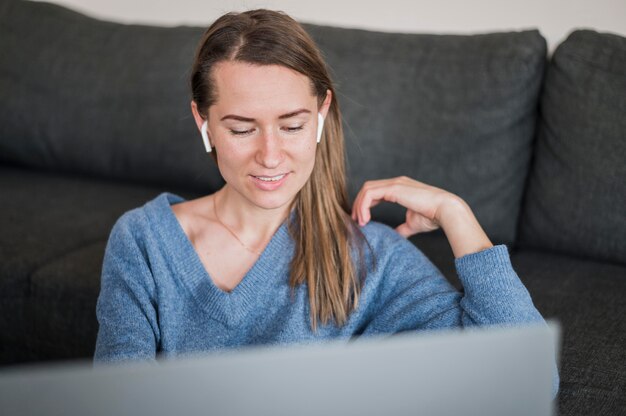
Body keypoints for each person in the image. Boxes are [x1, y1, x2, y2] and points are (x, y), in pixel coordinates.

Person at [94, 10, 555, 392]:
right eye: (241, 129)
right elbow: (118, 397)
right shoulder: (143, 240)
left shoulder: (370, 257)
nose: (270, 155)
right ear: (204, 121)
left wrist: (457, 214)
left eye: (292, 126)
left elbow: (527, 376)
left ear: (321, 115)